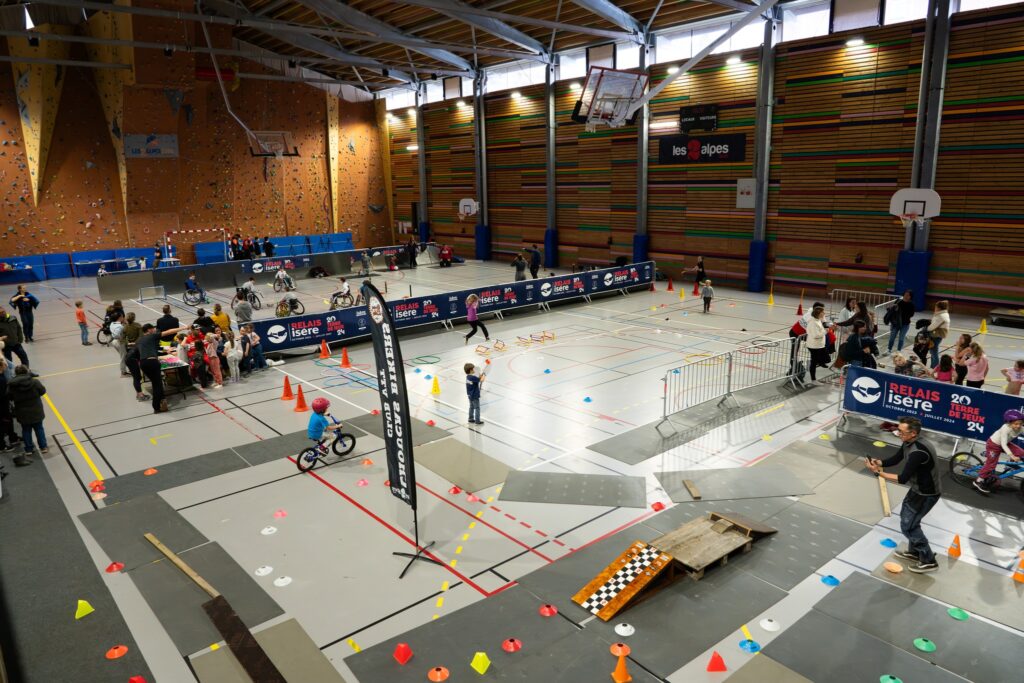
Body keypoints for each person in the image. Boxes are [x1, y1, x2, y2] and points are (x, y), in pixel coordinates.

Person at [865, 416, 940, 573]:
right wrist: (879, 463)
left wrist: (879, 474)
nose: (897, 432)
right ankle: (914, 553)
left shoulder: (918, 451)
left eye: (900, 431)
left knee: (909, 526)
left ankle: (929, 560)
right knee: (909, 521)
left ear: (912, 433)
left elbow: (902, 478)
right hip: (917, 489)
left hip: (925, 494)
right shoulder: (909, 442)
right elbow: (897, 458)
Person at [973, 410, 1024, 494]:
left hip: (1006, 444)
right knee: (991, 465)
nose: (1018, 426)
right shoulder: (1005, 428)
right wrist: (1012, 456)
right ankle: (978, 481)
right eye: (1015, 424)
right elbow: (1003, 444)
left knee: (1021, 452)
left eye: (1020, 423)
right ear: (1009, 422)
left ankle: (1010, 463)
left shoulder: (1021, 428)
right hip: (994, 445)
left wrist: (1013, 457)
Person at [137, 323, 180, 413]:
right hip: (152, 362)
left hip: (143, 363)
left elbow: (154, 350)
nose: (154, 330)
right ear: (149, 330)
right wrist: (185, 327)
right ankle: (156, 406)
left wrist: (166, 352)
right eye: (153, 329)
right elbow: (168, 332)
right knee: (158, 385)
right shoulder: (152, 336)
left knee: (155, 383)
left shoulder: (140, 340)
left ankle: (161, 401)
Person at [8, 365, 47, 458]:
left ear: (16, 373)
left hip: (21, 411)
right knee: (39, 428)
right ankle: (43, 447)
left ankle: (29, 449)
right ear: (26, 371)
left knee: (26, 430)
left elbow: (9, 397)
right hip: (36, 409)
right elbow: (42, 391)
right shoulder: (34, 382)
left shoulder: (12, 385)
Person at [0, 358, 24, 464]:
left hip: (4, 405)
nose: (6, 368)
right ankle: (2, 446)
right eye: (5, 366)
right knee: (3, 424)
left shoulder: (1, 377)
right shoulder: (0, 379)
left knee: (8, 422)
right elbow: (3, 394)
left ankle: (13, 438)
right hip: (1, 406)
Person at [805, 306, 830, 383]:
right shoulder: (813, 322)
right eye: (823, 312)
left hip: (820, 345)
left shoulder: (818, 320)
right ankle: (813, 379)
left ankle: (814, 363)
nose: (824, 313)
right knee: (814, 362)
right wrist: (825, 331)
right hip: (814, 346)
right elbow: (815, 335)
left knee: (826, 359)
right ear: (819, 313)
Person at [0, 307, 29, 372]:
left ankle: (27, 371)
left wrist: (20, 339)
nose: (3, 313)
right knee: (9, 362)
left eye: (3, 311)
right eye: (1, 313)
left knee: (24, 358)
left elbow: (19, 329)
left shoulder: (13, 318)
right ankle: (12, 375)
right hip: (6, 346)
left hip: (16, 343)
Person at [926, 300, 950, 367]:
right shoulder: (943, 314)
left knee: (934, 353)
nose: (935, 308)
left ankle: (935, 368)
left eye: (936, 307)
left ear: (939, 308)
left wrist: (926, 328)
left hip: (936, 335)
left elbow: (931, 327)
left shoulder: (941, 316)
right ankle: (933, 366)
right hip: (937, 335)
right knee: (932, 352)